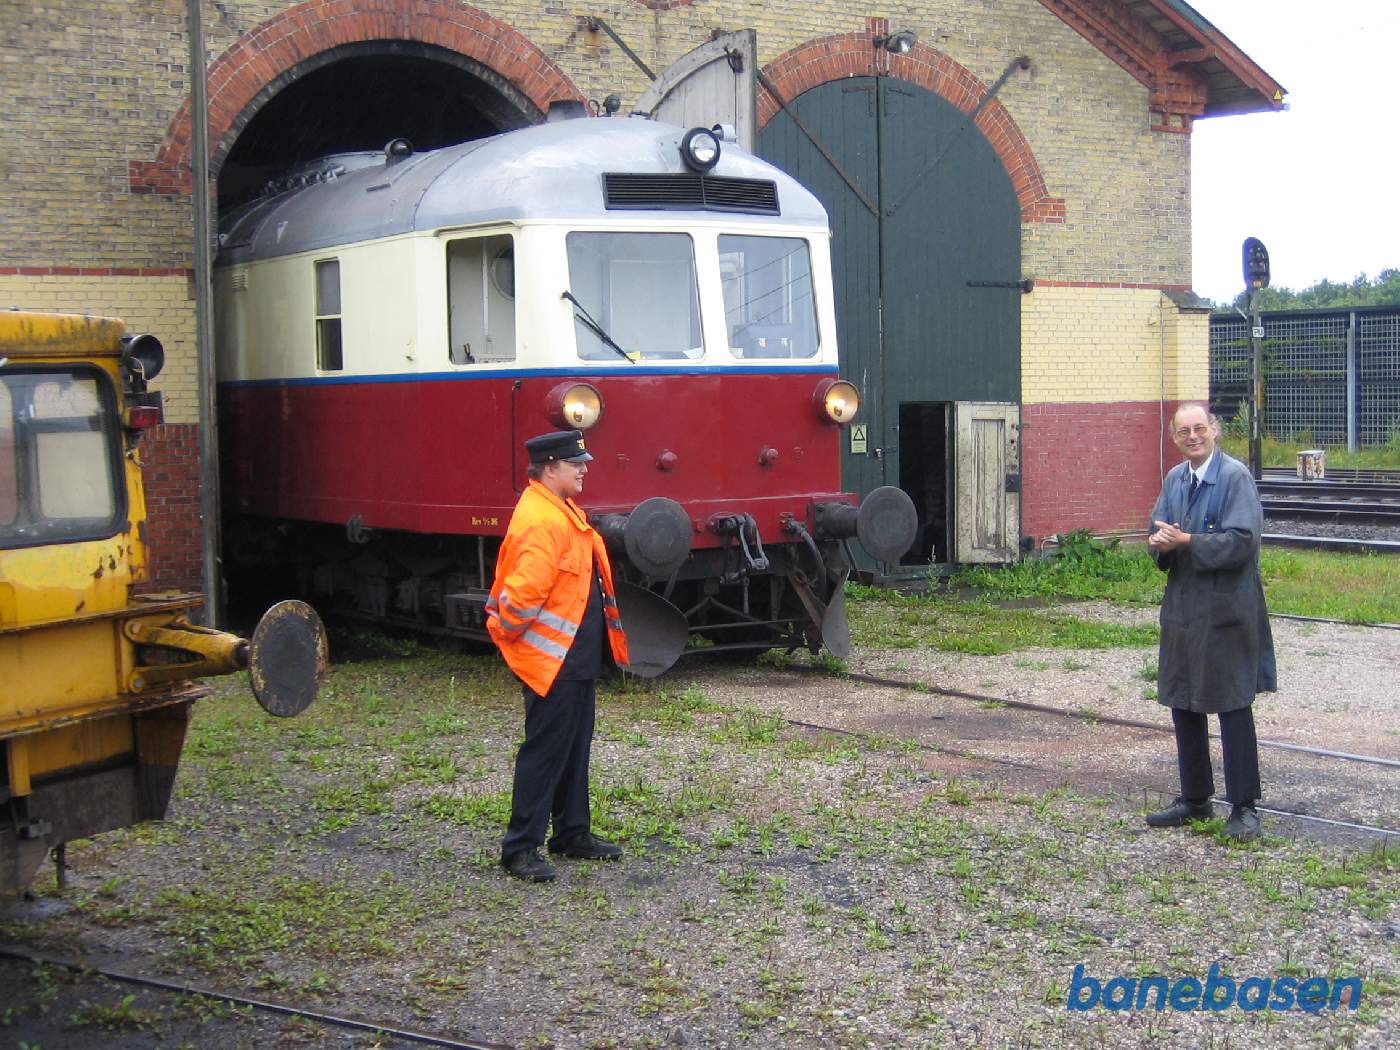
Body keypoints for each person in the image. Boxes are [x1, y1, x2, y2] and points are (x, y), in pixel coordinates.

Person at [487, 429, 630, 881]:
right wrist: (513, 641)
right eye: (575, 464)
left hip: (573, 658)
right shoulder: (542, 520)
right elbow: (521, 597)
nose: (584, 469)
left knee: (573, 748)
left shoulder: (560, 511)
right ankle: (520, 848)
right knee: (546, 752)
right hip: (553, 661)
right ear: (550, 469)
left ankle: (572, 832)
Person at [1145, 403, 1276, 842]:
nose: (1193, 436)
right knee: (1183, 699)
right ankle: (1195, 798)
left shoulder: (1235, 477)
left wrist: (1187, 540)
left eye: (1199, 428)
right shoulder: (1175, 478)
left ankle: (1244, 807)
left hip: (1227, 612)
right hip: (1183, 610)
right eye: (1184, 431)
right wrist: (1159, 542)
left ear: (1214, 430)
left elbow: (1243, 541)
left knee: (1232, 703)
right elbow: (1156, 530)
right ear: (1174, 438)